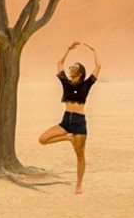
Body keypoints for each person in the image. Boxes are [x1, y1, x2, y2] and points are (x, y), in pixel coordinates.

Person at [38, 41, 101, 194]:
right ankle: (68, 138)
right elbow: (59, 63)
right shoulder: (65, 82)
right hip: (66, 121)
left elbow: (98, 66)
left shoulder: (87, 84)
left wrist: (93, 50)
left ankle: (78, 185)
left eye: (74, 68)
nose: (71, 69)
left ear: (79, 73)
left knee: (80, 156)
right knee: (43, 139)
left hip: (79, 123)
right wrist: (68, 49)